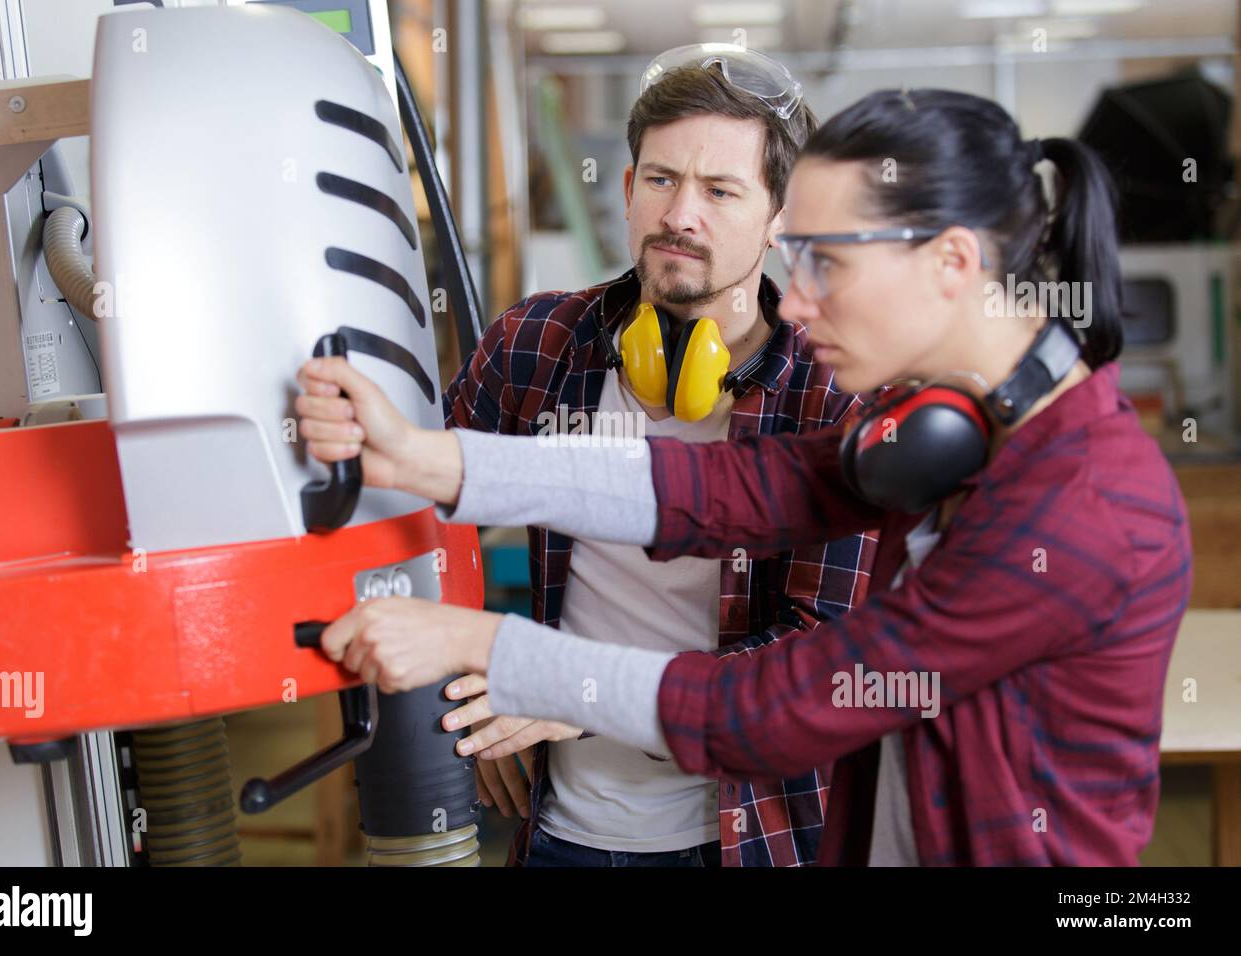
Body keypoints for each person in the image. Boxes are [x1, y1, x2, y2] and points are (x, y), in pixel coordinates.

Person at [296, 88, 1192, 865]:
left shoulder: (1079, 505)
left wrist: (483, 649)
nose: (794, 302)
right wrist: (424, 456)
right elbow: (728, 488)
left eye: (827, 263)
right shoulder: (947, 426)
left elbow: (770, 710)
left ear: (952, 263)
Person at [433, 44, 878, 868]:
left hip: (749, 835)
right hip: (557, 830)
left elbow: (823, 650)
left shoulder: (832, 392)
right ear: (630, 188)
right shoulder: (536, 343)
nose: (681, 215)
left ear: (781, 217)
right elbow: (420, 522)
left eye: (720, 190)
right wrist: (463, 680)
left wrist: (578, 692)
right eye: (662, 179)